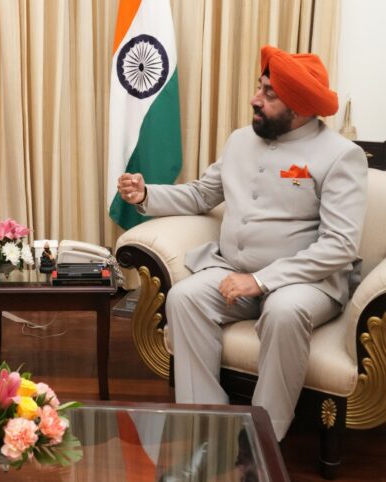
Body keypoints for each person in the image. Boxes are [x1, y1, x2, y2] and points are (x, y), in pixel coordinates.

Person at [117, 45, 368, 441]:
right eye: (258, 87)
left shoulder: (341, 155)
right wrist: (147, 194)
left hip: (307, 283)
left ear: (299, 106)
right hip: (233, 269)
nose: (255, 99)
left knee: (284, 311)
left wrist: (261, 281)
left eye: (269, 94)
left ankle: (261, 439)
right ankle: (207, 427)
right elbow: (202, 195)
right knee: (184, 298)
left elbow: (339, 244)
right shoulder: (239, 140)